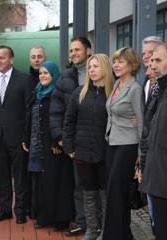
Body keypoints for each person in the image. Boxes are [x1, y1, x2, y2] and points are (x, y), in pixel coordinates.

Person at [63, 54, 114, 240]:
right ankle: (93, 229)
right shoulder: (80, 92)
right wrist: (69, 146)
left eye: (96, 66)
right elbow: (69, 121)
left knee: (105, 193)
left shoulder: (113, 92)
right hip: (83, 151)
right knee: (89, 192)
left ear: (105, 69)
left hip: (105, 152)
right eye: (90, 67)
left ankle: (106, 230)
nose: (91, 70)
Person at [0, 45, 31, 224]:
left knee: (19, 177)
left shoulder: (24, 79)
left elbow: (28, 111)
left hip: (17, 138)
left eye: (2, 58)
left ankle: (20, 211)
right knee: (2, 176)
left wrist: (26, 136)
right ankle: (4, 210)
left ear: (11, 59)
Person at [22, 60, 74, 229]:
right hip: (37, 146)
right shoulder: (37, 93)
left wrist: (58, 143)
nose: (43, 76)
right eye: (41, 73)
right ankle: (43, 217)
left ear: (54, 75)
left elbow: (62, 118)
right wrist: (26, 138)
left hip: (53, 146)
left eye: (46, 73)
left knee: (56, 183)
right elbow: (28, 117)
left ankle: (59, 219)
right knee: (40, 183)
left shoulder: (57, 94)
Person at [138, 42, 167, 240]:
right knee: (159, 227)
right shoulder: (160, 88)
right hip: (155, 174)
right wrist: (144, 163)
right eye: (151, 60)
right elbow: (149, 130)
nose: (152, 64)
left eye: (157, 60)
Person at [50, 36, 92, 236]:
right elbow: (55, 111)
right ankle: (83, 222)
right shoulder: (65, 78)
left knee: (99, 186)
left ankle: (98, 222)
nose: (74, 54)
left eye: (78, 49)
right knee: (79, 185)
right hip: (75, 142)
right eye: (71, 51)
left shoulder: (101, 73)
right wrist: (60, 138)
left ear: (88, 51)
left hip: (98, 141)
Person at [103, 47, 143, 240]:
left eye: (120, 62)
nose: (116, 65)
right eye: (114, 61)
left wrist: (141, 153)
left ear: (131, 64)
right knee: (114, 192)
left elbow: (142, 121)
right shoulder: (117, 83)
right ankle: (123, 235)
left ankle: (114, 235)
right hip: (112, 142)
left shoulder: (135, 89)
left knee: (116, 193)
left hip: (128, 145)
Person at [26, 45, 47, 219]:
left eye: (39, 56)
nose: (36, 59)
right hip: (30, 137)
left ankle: (43, 210)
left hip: (45, 138)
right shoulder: (24, 80)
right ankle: (31, 209)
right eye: (33, 56)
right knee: (30, 176)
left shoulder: (51, 79)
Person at [141, 36, 162, 105]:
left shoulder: (165, 79)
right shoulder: (147, 80)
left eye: (151, 52)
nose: (145, 56)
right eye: (143, 53)